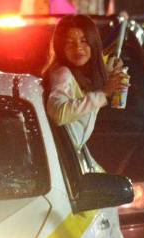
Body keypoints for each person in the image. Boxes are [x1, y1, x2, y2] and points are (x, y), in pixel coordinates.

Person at [43, 15, 129, 149]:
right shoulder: (63, 74)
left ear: (93, 43)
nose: (78, 47)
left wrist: (110, 75)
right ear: (60, 47)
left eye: (84, 41)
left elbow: (84, 101)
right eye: (70, 42)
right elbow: (58, 113)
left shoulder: (83, 76)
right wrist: (103, 93)